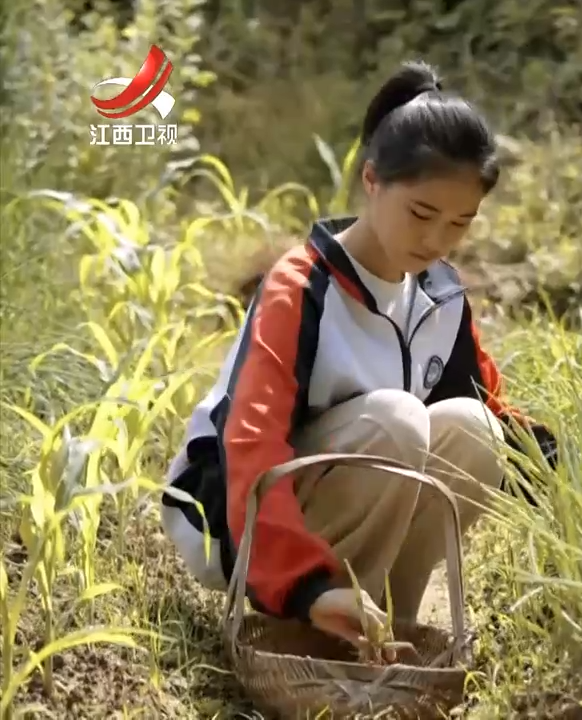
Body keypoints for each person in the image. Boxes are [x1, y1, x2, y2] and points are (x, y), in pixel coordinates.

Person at [158, 60, 558, 652]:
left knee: (475, 429)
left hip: (348, 499)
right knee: (397, 420)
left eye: (460, 223)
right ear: (372, 180)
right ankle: (316, 627)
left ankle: (389, 625)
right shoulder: (302, 287)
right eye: (421, 214)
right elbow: (251, 444)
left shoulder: (440, 297)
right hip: (245, 520)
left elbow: (495, 413)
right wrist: (307, 585)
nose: (436, 241)